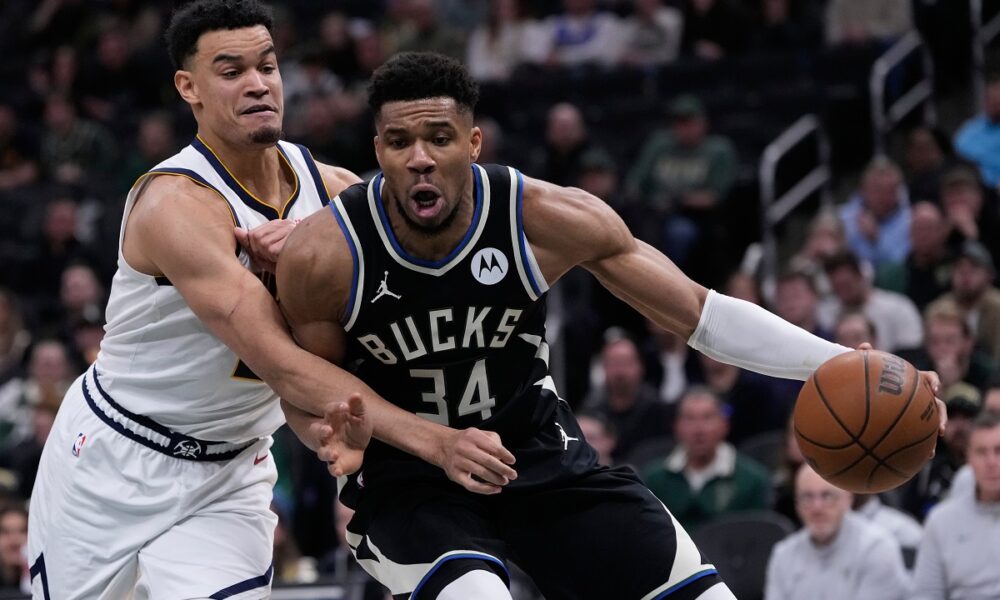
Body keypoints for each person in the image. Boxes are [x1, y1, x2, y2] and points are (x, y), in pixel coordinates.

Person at [275, 52, 944, 600]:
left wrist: (839, 362)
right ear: (378, 149)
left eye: (439, 138)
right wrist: (334, 440)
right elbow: (309, 394)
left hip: (535, 454)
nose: (419, 158)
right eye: (399, 142)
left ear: (473, 144)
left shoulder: (546, 218)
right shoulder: (325, 256)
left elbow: (700, 313)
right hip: (410, 479)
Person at [22, 2, 386, 598]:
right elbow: (282, 363)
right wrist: (436, 444)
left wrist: (307, 242)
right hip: (115, 458)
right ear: (188, 87)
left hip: (230, 470)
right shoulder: (174, 203)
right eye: (232, 71)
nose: (258, 84)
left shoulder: (334, 195)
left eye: (267, 66)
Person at [764, 464, 910, 600]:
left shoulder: (877, 548)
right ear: (796, 503)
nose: (817, 507)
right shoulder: (783, 555)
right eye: (807, 497)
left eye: (827, 496)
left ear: (848, 498)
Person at [642, 387, 771, 531]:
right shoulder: (655, 479)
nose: (699, 430)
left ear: (724, 425)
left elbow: (758, 535)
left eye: (707, 418)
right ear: (676, 427)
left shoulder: (752, 480)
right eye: (690, 419)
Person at [911, 410, 1000, 599]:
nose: (991, 462)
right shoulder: (941, 521)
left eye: (999, 451)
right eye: (981, 452)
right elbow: (925, 593)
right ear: (968, 458)